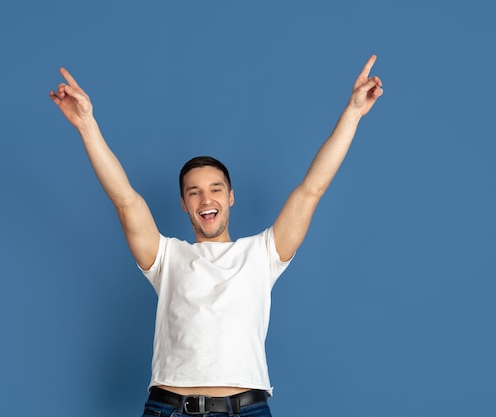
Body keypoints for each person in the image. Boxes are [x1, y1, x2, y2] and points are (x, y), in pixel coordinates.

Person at [50, 55, 383, 417]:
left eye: (215, 189)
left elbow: (311, 189)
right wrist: (87, 125)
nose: (206, 198)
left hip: (247, 409)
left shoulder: (263, 253)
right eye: (194, 192)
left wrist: (352, 114)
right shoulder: (167, 258)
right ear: (183, 204)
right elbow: (125, 199)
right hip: (169, 409)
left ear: (230, 197)